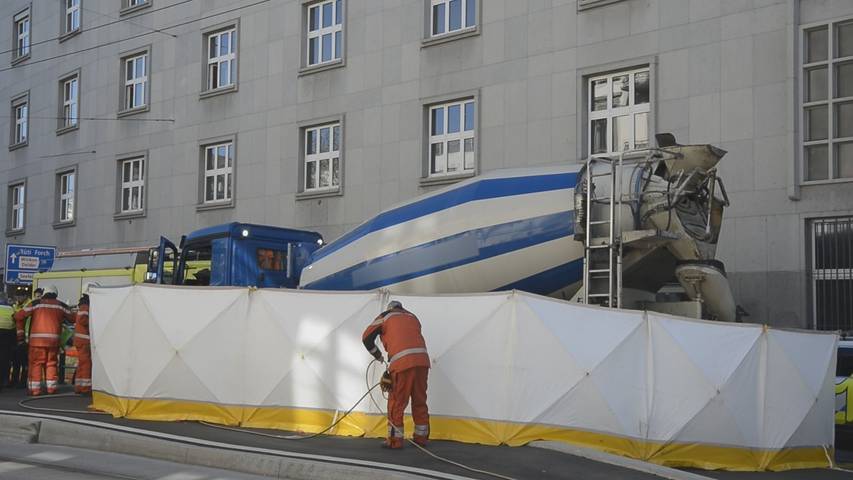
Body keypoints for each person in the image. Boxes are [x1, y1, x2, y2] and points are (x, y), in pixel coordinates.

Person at [362, 300, 430, 449]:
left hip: (402, 363)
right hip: (423, 361)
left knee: (397, 402)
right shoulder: (413, 317)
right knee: (419, 400)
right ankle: (421, 437)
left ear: (390, 308)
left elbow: (366, 337)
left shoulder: (386, 316)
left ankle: (394, 441)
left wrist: (378, 355)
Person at [13, 285, 73, 396]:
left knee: (36, 364)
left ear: (44, 292)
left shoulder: (36, 303)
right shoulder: (61, 305)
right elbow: (73, 318)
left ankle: (35, 390)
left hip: (37, 342)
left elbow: (19, 316)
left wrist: (20, 336)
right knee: (51, 364)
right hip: (53, 342)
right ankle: (51, 389)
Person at [10, 288, 41, 389]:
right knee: (16, 362)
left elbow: (20, 319)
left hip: (27, 339)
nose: (18, 298)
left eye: (20, 296)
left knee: (25, 363)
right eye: (17, 297)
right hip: (18, 337)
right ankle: (15, 381)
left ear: (25, 296)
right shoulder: (16, 305)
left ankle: (23, 382)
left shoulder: (29, 305)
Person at [72, 282, 98, 394]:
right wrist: (95, 321)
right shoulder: (86, 305)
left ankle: (79, 386)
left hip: (81, 340)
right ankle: (86, 388)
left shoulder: (83, 304)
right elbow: (83, 320)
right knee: (87, 364)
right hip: (85, 340)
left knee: (82, 363)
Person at [0, 293, 16, 392]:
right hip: (7, 336)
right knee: (5, 360)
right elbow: (15, 322)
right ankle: (4, 380)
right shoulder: (11, 309)